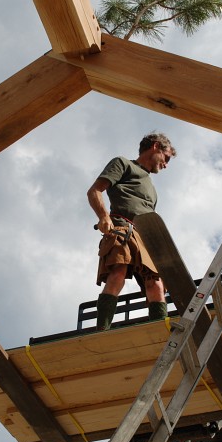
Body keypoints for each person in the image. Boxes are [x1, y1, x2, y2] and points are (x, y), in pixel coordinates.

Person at [87, 132, 177, 330]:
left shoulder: (152, 190)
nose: (166, 164)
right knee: (117, 273)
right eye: (166, 157)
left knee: (156, 285)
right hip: (123, 228)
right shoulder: (123, 163)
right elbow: (94, 191)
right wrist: (103, 217)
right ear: (155, 147)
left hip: (147, 237)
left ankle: (161, 331)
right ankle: (102, 331)